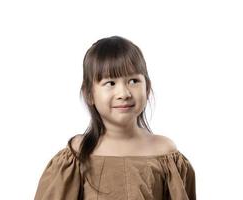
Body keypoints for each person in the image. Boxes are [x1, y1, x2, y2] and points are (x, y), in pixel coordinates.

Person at [34, 36, 196, 200]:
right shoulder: (76, 155)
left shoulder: (165, 153)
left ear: (147, 88)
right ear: (89, 94)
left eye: (133, 81)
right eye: (110, 83)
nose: (124, 94)